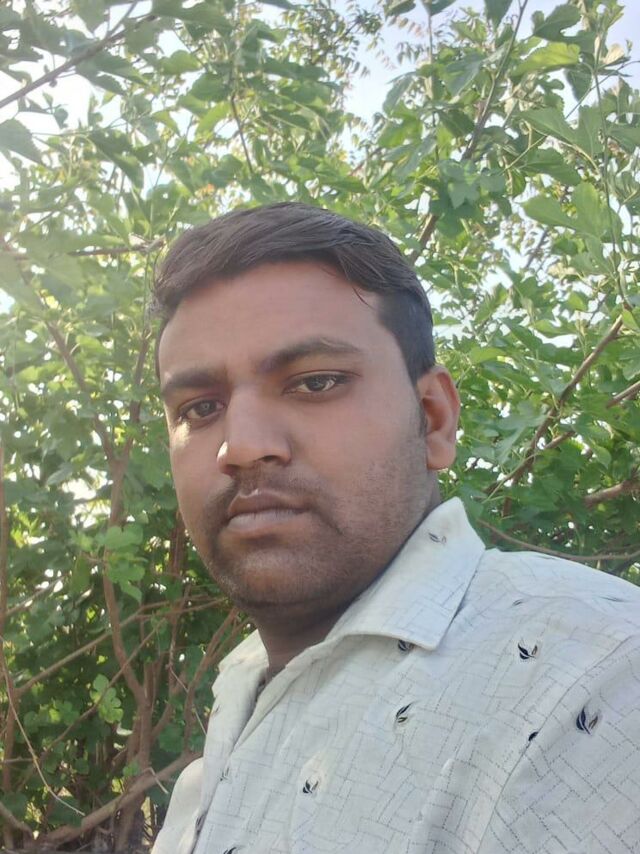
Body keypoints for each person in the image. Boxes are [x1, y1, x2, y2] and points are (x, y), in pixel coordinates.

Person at [151, 203, 640, 854]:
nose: (239, 445)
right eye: (200, 408)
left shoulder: (597, 676)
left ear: (433, 418)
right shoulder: (242, 682)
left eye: (315, 382)